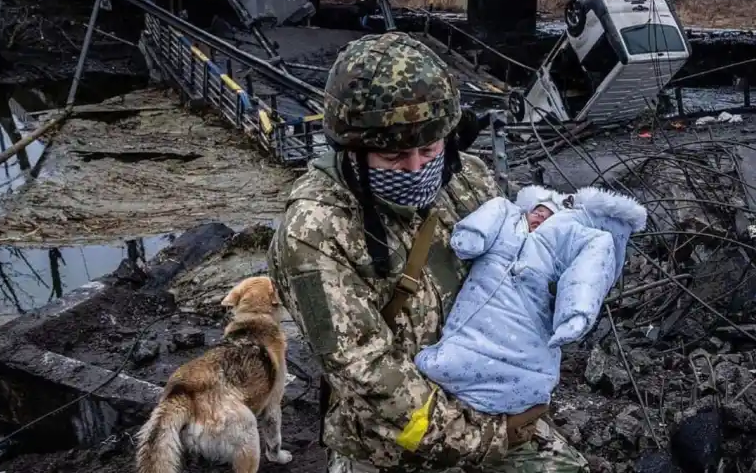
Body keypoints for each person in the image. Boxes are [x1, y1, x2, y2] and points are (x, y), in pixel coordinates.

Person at [267, 31, 590, 473]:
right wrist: (485, 438)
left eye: (428, 149)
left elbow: (517, 275)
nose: (417, 168)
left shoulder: (466, 179)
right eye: (395, 157)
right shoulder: (316, 230)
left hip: (490, 401)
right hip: (392, 445)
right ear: (353, 151)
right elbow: (366, 373)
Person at [415, 185, 647, 416]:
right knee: (461, 350)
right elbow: (491, 214)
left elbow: (587, 271)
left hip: (529, 319)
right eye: (537, 210)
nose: (541, 215)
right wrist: (472, 235)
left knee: (529, 361)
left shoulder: (563, 239)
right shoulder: (507, 217)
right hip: (480, 314)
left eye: (549, 215)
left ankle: (518, 395)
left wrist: (576, 312)